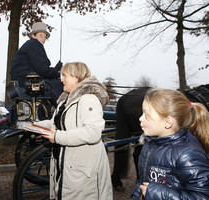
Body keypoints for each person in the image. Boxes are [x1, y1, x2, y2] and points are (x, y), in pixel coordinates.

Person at [34, 62, 113, 199]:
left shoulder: (88, 99)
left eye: (65, 76)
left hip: (82, 169)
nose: (61, 80)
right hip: (65, 164)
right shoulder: (64, 102)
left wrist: (58, 137)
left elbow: (93, 132)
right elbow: (53, 124)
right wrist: (33, 126)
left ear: (77, 77)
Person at [132, 88, 209, 200]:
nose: (140, 118)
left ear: (168, 122)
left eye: (146, 115)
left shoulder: (188, 155)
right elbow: (142, 181)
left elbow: (201, 196)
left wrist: (156, 192)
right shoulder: (149, 145)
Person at [11, 21, 63, 106]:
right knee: (58, 84)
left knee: (54, 82)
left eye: (45, 37)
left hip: (24, 79)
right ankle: (61, 109)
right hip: (27, 80)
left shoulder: (31, 45)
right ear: (33, 36)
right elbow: (42, 70)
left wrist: (55, 70)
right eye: (41, 35)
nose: (43, 38)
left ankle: (49, 112)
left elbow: (40, 67)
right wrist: (56, 71)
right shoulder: (34, 44)